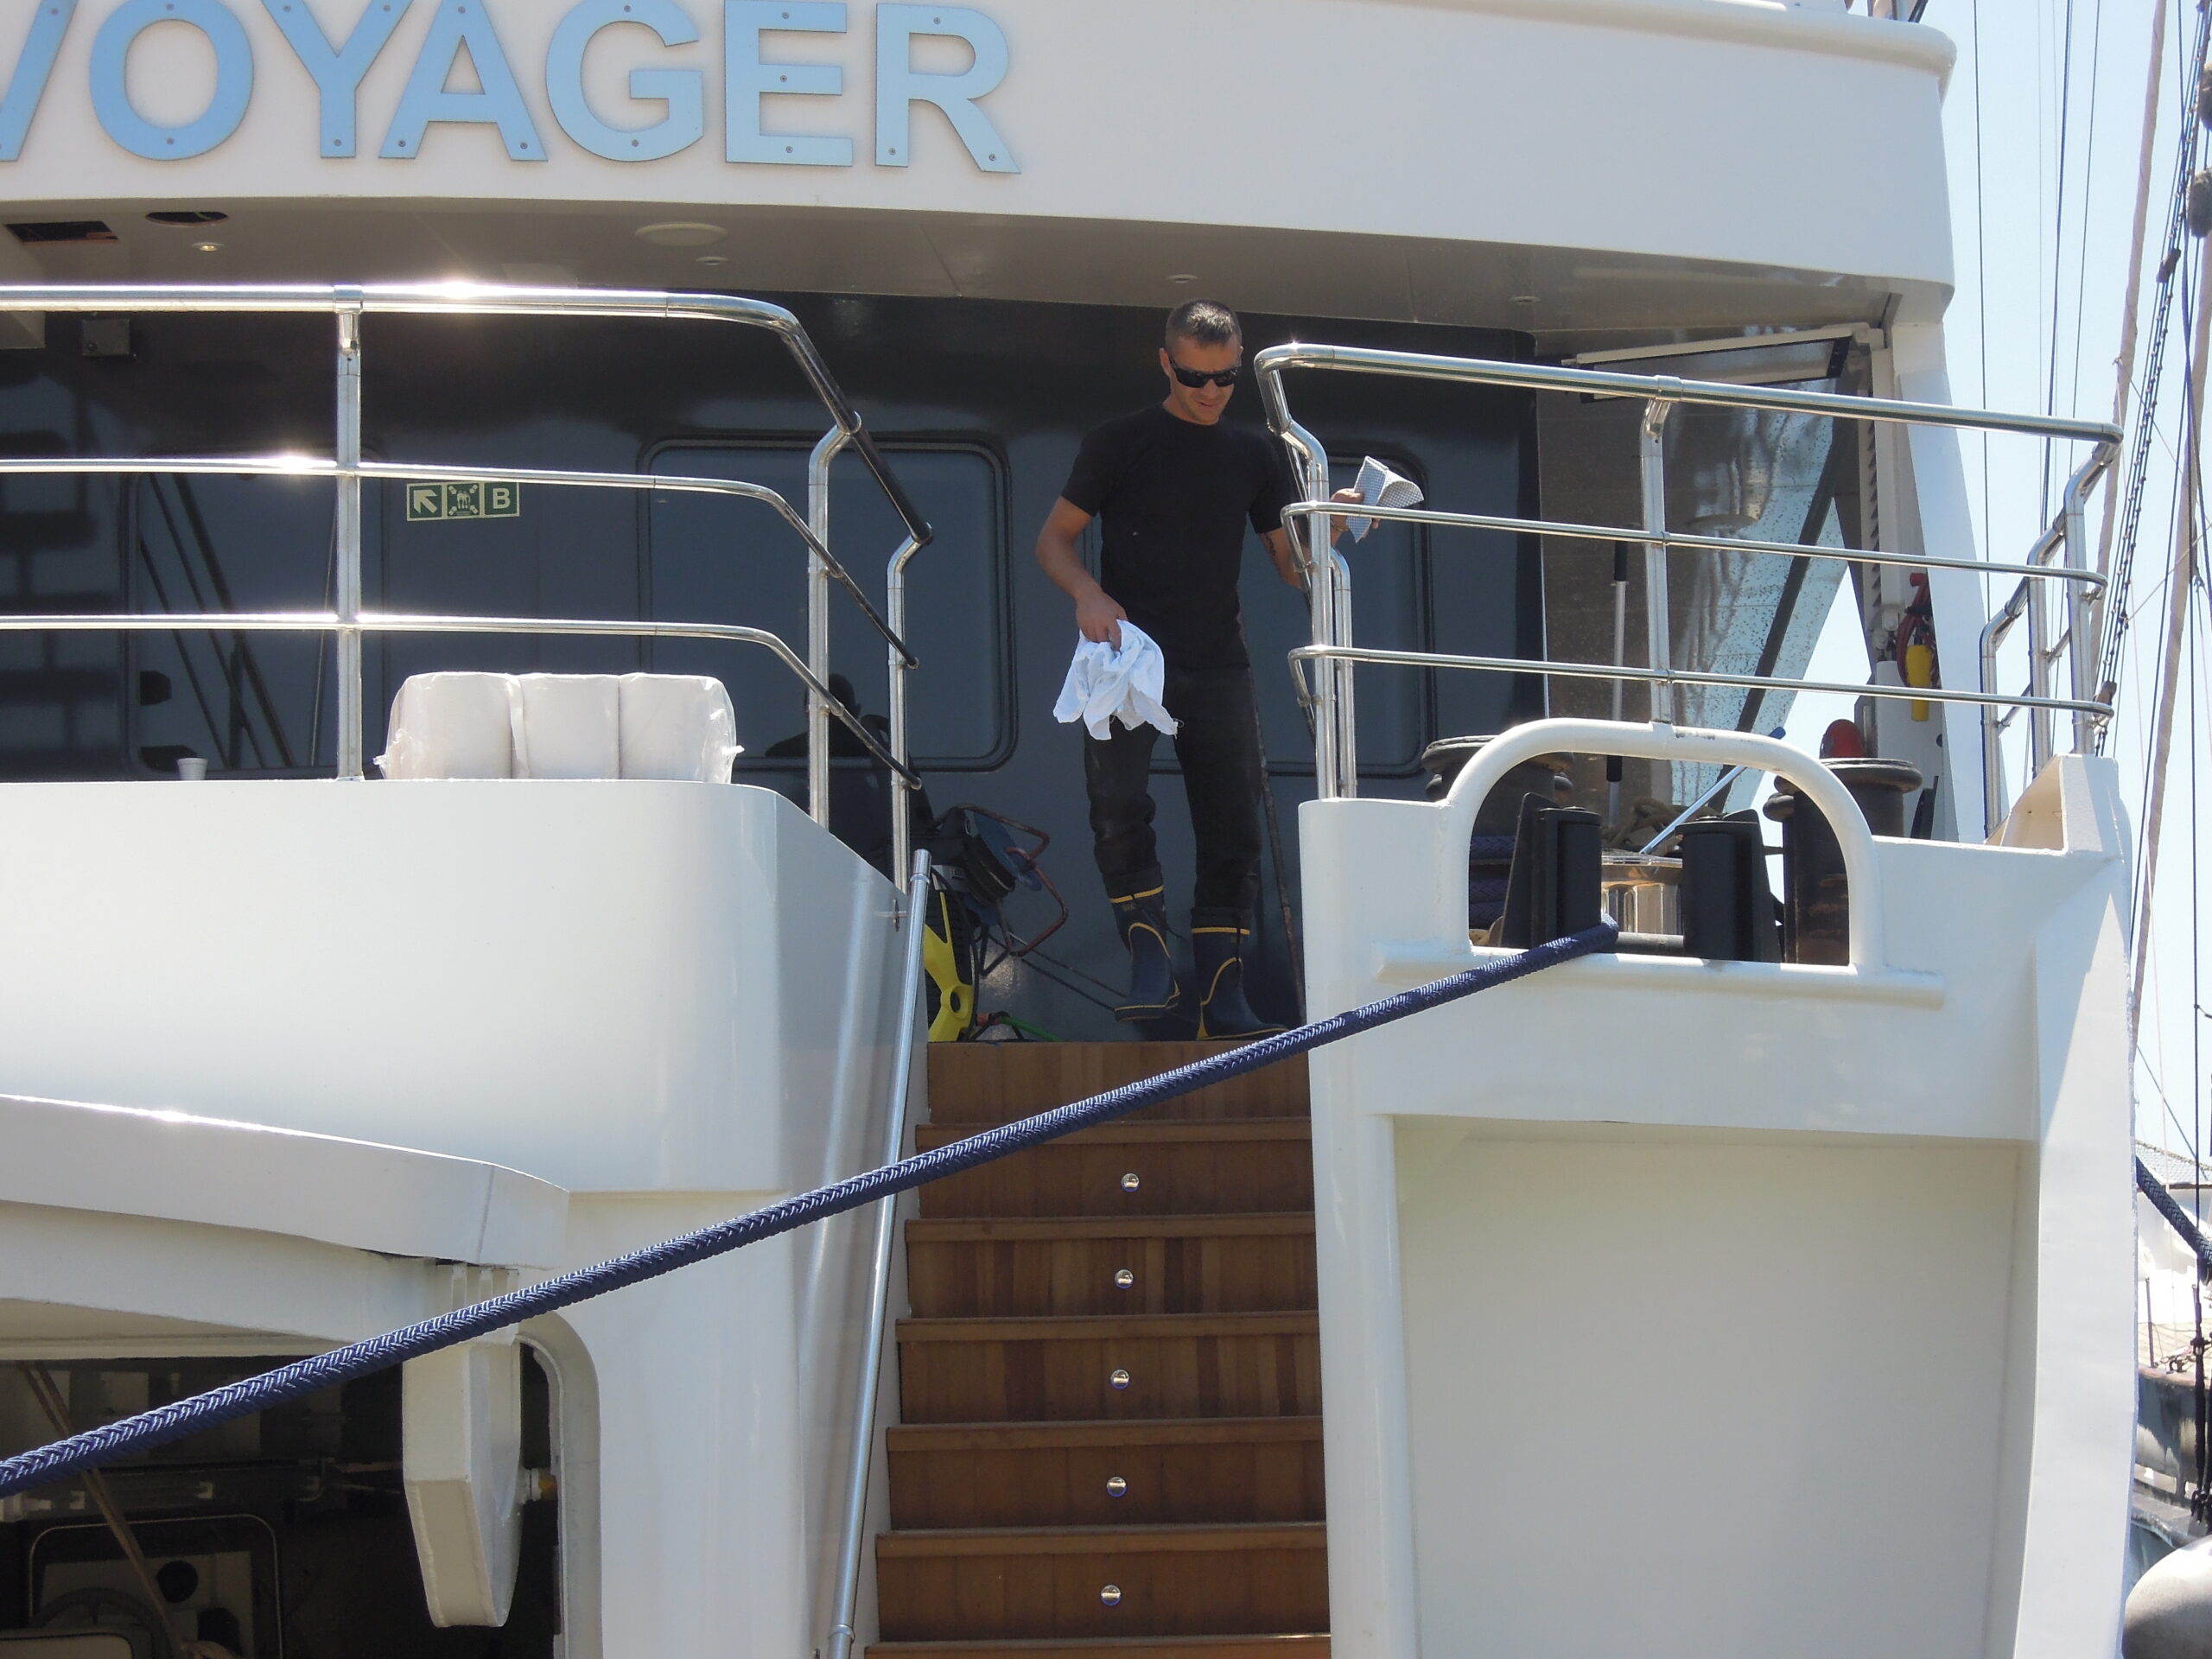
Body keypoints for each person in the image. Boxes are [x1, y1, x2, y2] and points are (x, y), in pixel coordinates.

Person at [1034, 299, 1356, 1037]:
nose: (1210, 392)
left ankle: (1221, 986)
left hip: (1216, 661)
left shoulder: (1254, 453)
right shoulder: (1120, 442)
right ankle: (1148, 954)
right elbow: (1054, 541)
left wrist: (1332, 525)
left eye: (1224, 378)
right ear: (1165, 364)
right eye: (1193, 377)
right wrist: (1088, 594)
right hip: (1129, 657)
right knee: (1117, 807)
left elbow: (1292, 569)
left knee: (1235, 825)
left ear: (1238, 366)